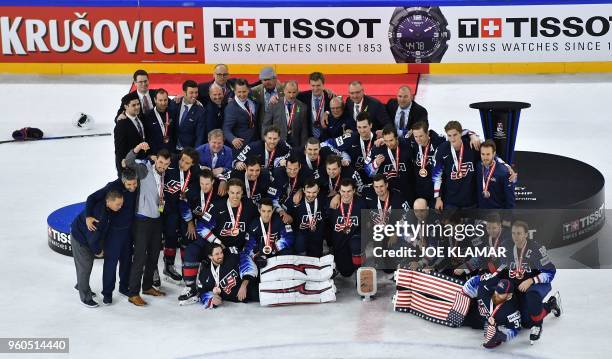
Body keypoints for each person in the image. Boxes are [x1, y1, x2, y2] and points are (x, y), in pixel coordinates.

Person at [125, 142, 172, 306]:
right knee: (139, 257)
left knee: (153, 255)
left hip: (157, 218)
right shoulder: (144, 170)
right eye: (160, 163)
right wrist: (137, 149)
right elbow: (129, 162)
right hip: (142, 218)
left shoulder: (166, 174)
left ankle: (147, 286)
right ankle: (132, 293)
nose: (163, 166)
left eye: (166, 164)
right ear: (155, 160)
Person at [500, 221, 562, 343]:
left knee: (532, 296)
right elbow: (502, 267)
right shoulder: (506, 246)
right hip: (518, 285)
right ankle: (550, 304)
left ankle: (538, 326)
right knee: (526, 323)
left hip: (537, 285)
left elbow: (550, 272)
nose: (515, 236)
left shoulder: (536, 249)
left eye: (519, 233)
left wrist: (532, 280)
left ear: (526, 234)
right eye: (513, 233)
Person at [84, 169, 138, 305]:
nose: (132, 187)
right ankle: (107, 293)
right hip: (113, 233)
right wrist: (88, 216)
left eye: (134, 184)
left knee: (126, 261)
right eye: (129, 185)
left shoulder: (136, 186)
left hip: (128, 231)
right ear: (123, 182)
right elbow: (91, 197)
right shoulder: (112, 187)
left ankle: (124, 287)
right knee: (111, 264)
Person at [71, 190, 124, 307]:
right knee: (85, 267)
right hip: (80, 239)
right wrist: (99, 251)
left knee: (84, 266)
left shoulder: (106, 206)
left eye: (121, 204)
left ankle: (80, 285)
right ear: (108, 202)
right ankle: (85, 297)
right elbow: (92, 240)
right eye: (118, 204)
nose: (120, 207)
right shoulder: (100, 216)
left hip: (85, 235)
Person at [159, 147, 200, 283]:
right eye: (182, 160)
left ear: (193, 164)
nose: (182, 164)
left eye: (187, 163)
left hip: (184, 210)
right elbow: (158, 158)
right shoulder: (171, 160)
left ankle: (186, 267)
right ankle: (168, 266)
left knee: (187, 237)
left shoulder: (195, 172)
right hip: (167, 209)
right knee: (170, 236)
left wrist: (190, 221)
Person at [462, 277, 522, 349]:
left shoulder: (512, 309)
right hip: (469, 308)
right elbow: (476, 280)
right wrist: (465, 292)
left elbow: (515, 330)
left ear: (509, 295)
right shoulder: (486, 288)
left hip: (480, 323)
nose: (496, 294)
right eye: (497, 290)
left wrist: (502, 336)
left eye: (500, 293)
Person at [195, 243, 260, 308]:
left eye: (221, 252)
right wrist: (211, 299)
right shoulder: (205, 273)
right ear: (210, 256)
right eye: (217, 254)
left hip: (252, 287)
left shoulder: (231, 256)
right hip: (236, 307)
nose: (221, 256)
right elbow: (201, 292)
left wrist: (244, 284)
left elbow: (246, 260)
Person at [241, 198, 295, 275]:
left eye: (269, 211)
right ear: (259, 210)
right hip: (261, 254)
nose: (266, 215)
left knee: (288, 251)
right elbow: (248, 246)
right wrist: (255, 255)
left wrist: (274, 248)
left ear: (273, 210)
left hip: (277, 251)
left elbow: (289, 238)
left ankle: (287, 275)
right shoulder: (253, 225)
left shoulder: (279, 220)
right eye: (263, 211)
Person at [324, 112, 378, 185]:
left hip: (374, 180)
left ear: (370, 125)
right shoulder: (350, 137)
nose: (362, 131)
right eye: (359, 127)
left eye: (364, 127)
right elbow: (327, 143)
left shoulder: (378, 140)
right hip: (353, 180)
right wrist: (340, 158)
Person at [327, 179, 366, 277]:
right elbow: (326, 225)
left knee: (356, 244)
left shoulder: (361, 203)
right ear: (339, 191)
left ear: (354, 191)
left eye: (349, 191)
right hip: (340, 241)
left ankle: (359, 267)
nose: (346, 194)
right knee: (346, 272)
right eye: (343, 191)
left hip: (354, 237)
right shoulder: (332, 203)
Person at [366, 124, 415, 202]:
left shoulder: (407, 145)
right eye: (386, 141)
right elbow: (367, 171)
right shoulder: (377, 149)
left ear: (396, 138)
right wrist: (375, 164)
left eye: (391, 140)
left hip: (408, 190)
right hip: (388, 193)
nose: (389, 144)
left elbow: (412, 132)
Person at [407, 121, 446, 207]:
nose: (418, 139)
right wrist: (382, 139)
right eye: (416, 136)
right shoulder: (412, 142)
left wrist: (472, 136)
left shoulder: (439, 141)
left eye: (421, 136)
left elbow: (455, 134)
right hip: (420, 191)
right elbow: (396, 140)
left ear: (427, 133)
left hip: (436, 191)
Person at [263, 80, 308, 148]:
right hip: (277, 143)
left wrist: (303, 147)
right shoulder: (274, 104)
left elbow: (304, 130)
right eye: (289, 92)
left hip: (295, 144)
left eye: (294, 92)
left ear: (297, 92)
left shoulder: (302, 107)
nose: (291, 95)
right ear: (284, 91)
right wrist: (266, 142)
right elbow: (266, 124)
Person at [289, 178, 327, 257]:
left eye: (314, 192)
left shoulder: (323, 200)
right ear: (303, 190)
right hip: (301, 238)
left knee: (315, 263)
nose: (311, 195)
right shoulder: (296, 200)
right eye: (308, 192)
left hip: (317, 239)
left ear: (318, 190)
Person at [114, 92, 146, 175]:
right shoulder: (121, 125)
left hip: (143, 164)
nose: (137, 107)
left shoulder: (140, 117)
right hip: (130, 166)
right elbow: (119, 151)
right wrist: (121, 172)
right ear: (125, 107)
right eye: (133, 105)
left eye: (138, 104)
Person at [223, 78, 259, 153]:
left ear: (248, 90)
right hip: (242, 146)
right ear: (235, 91)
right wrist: (232, 139)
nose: (242, 95)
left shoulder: (253, 99)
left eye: (244, 91)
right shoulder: (230, 108)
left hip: (256, 142)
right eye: (239, 92)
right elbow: (226, 128)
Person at [477, 140, 516, 209]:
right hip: (481, 211)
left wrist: (508, 218)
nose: (485, 158)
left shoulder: (504, 172)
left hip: (497, 213)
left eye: (488, 154)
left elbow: (510, 199)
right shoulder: (478, 166)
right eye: (483, 154)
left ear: (494, 154)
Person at [268, 154, 306, 223]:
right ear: (285, 166)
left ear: (300, 167)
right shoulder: (277, 174)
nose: (292, 172)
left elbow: (310, 185)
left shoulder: (304, 172)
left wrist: (301, 190)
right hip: (278, 206)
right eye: (289, 169)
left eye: (295, 169)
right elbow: (271, 198)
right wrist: (281, 211)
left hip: (292, 205)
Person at [170, 80, 207, 151]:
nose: (194, 95)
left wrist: (195, 153)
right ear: (184, 92)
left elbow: (200, 136)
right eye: (191, 93)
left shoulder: (201, 111)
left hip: (188, 151)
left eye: (196, 92)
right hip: (172, 148)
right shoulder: (174, 103)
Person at [297, 72, 335, 139]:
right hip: (308, 136)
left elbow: (338, 110)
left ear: (323, 84)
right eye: (313, 85)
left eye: (318, 85)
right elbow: (289, 94)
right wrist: (275, 98)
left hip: (326, 135)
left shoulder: (330, 97)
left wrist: (327, 112)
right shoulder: (302, 96)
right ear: (310, 85)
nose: (315, 88)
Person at [142, 88, 176, 155]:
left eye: (165, 100)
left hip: (170, 152)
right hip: (155, 153)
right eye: (160, 100)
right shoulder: (148, 116)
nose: (163, 103)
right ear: (155, 100)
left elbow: (175, 133)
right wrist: (150, 154)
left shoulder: (172, 112)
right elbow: (147, 137)